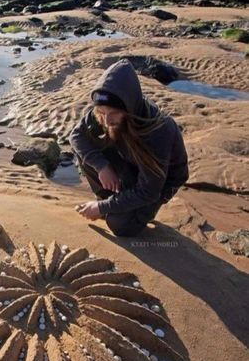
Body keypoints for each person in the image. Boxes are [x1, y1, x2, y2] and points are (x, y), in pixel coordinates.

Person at [70, 58, 189, 237]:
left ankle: (125, 210)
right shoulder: (104, 108)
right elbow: (76, 136)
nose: (107, 120)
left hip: (160, 183)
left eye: (114, 113)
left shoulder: (158, 130)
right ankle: (109, 199)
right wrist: (102, 166)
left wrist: (101, 209)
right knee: (87, 152)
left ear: (128, 108)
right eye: (102, 113)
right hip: (130, 161)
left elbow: (148, 191)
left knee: (120, 226)